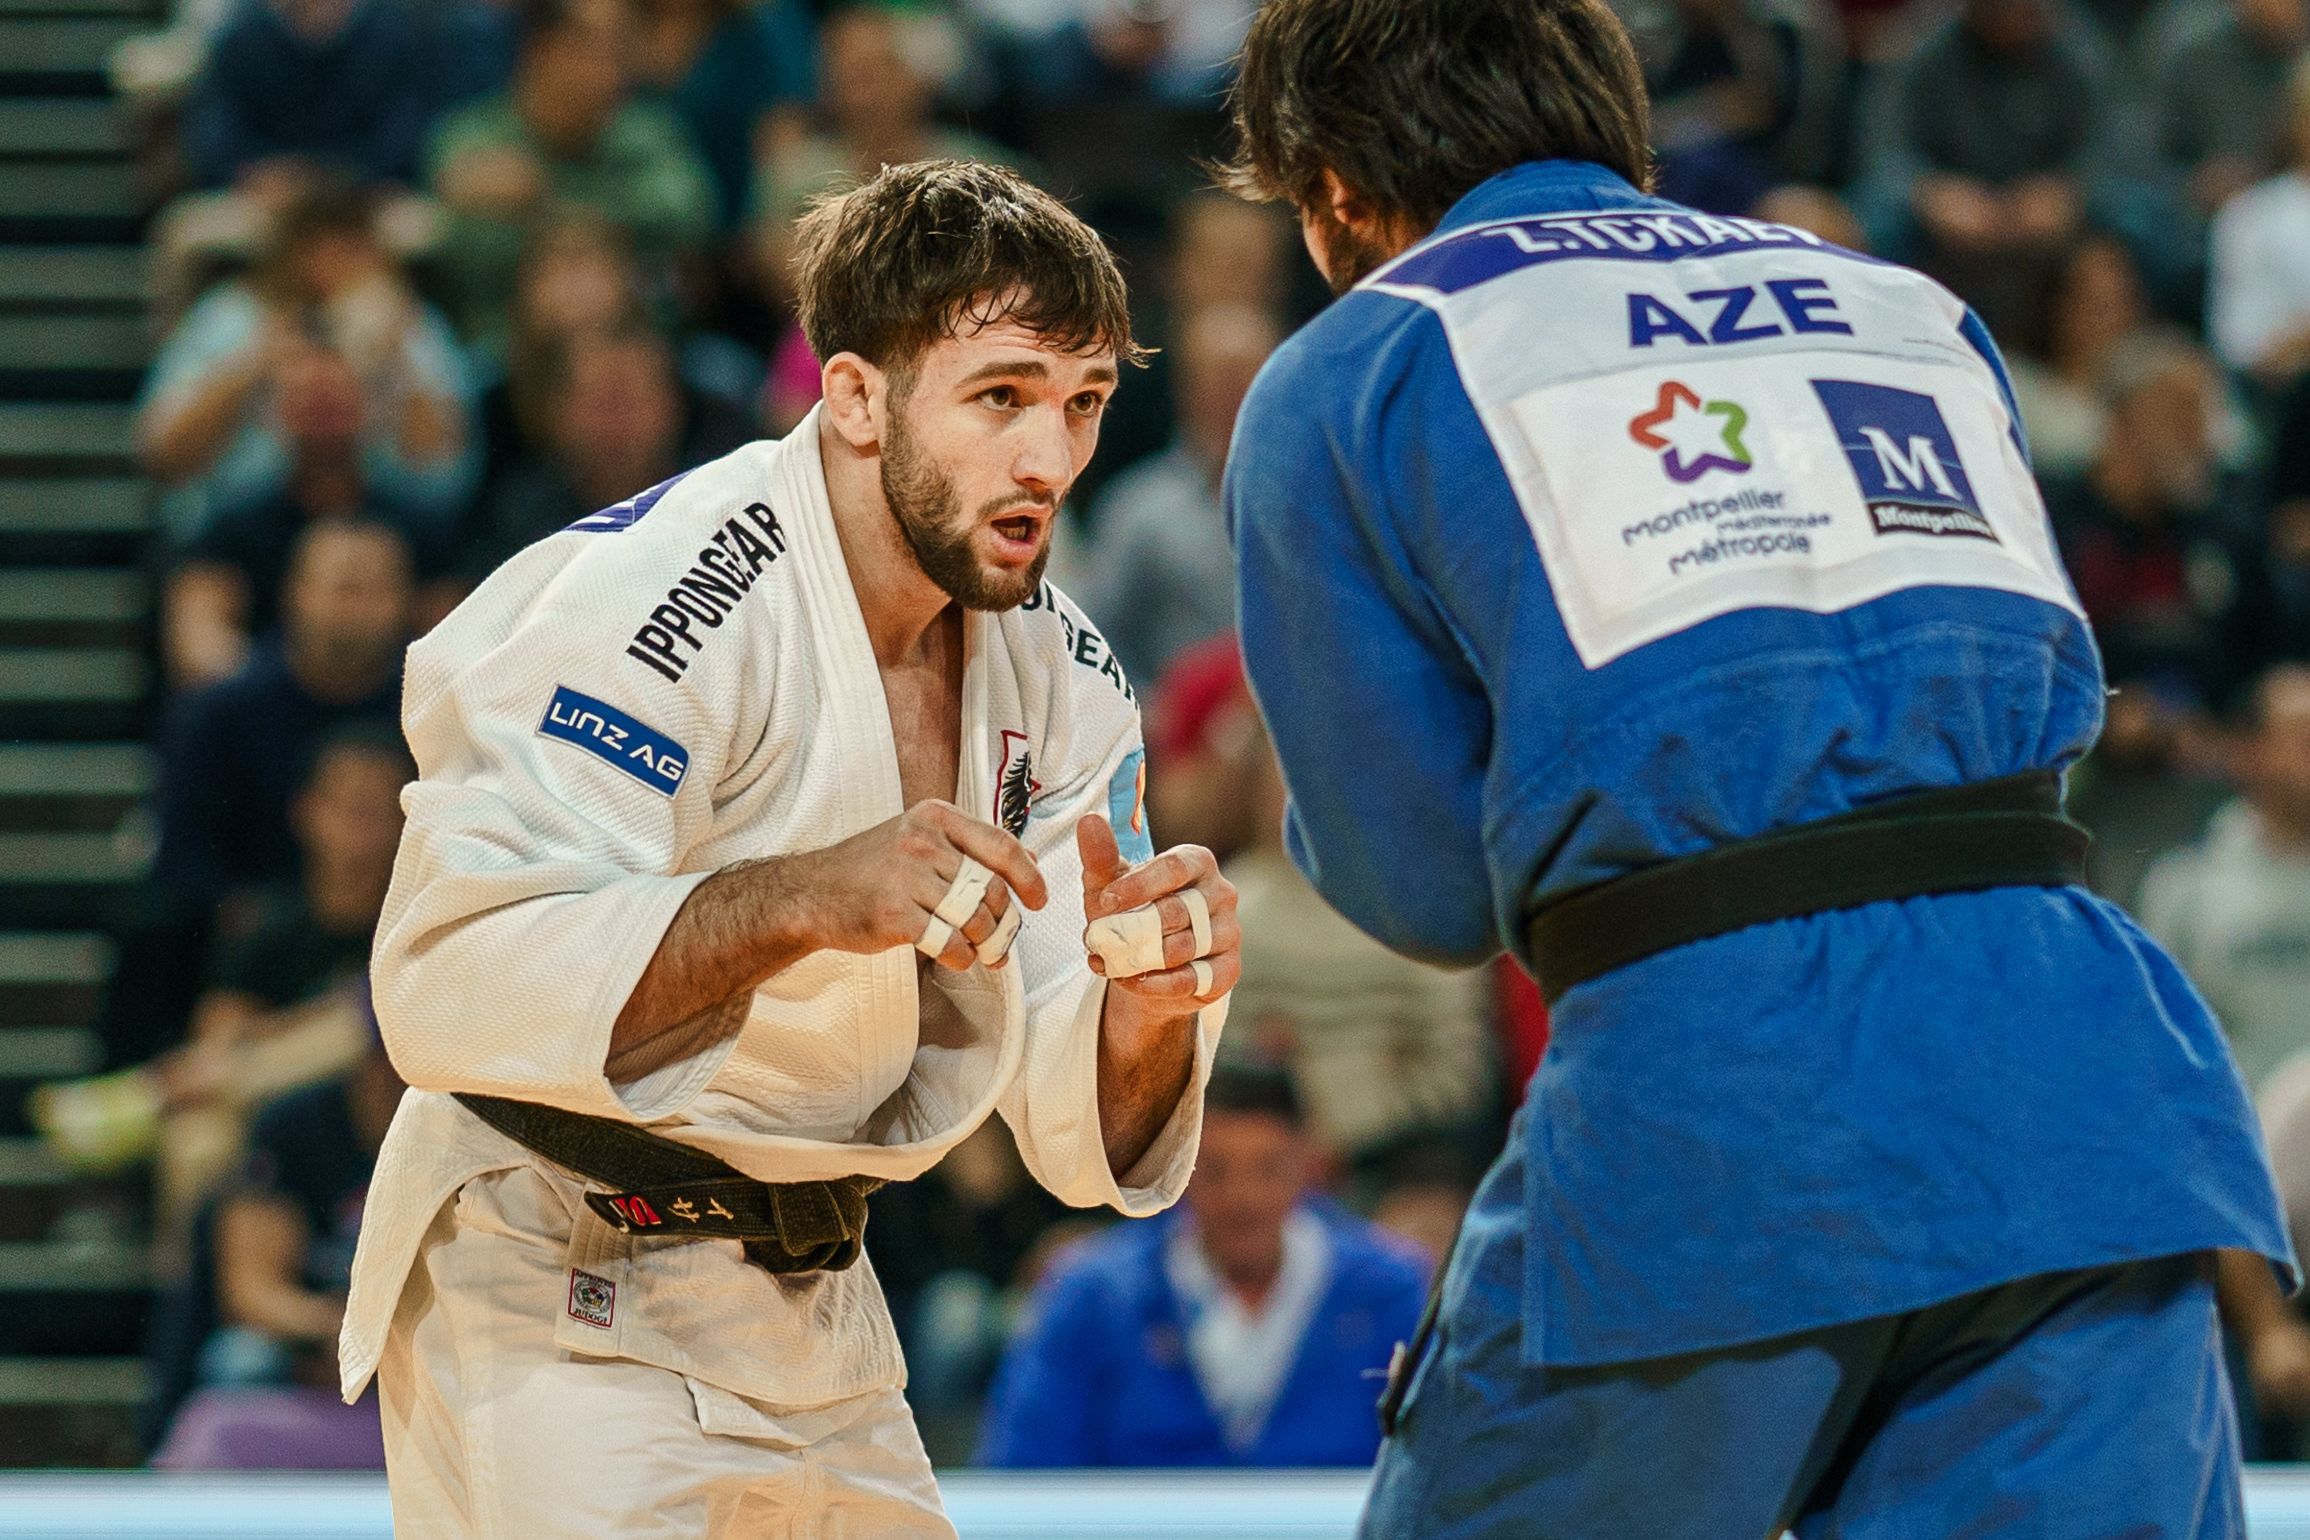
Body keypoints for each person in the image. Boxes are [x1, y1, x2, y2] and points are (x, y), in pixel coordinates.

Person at [1219, 2, 2288, 1536]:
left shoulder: (1361, 363)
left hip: (1715, 1113)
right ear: (1616, 124)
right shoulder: (1903, 305)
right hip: (2087, 1096)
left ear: (1328, 193)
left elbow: (1420, 886)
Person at [339, 159, 1239, 1537]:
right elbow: (451, 972)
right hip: (563, 1274)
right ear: (858, 398)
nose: (1048, 459)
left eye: (1084, 405)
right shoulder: (664, 603)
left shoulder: (1060, 672)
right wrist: (815, 896)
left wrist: (1149, 1009)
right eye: (999, 397)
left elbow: (1081, 1129)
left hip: (820, 1301)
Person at [977, 1063, 1428, 1468]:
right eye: (1214, 1170)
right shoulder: (1093, 1296)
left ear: (1307, 1166)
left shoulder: (1389, 1293)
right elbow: (1024, 1472)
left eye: (1268, 1168)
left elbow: (1433, 1473)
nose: (1242, 1198)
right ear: (1176, 1167)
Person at [151, 516, 412, 911]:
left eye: (374, 591)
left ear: (404, 599)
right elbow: (185, 856)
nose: (356, 608)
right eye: (343, 588)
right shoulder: (222, 712)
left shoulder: (433, 709)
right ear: (295, 591)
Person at [425, 0, 715, 349]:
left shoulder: (645, 132)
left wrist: (541, 193)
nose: (613, 70)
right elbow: (462, 255)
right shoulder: (468, 140)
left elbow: (691, 214)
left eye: (620, 51)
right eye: (591, 48)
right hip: (503, 354)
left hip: (641, 346)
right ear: (540, 50)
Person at [1075, 304, 1280, 686]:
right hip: (1169, 733)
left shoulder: (1316, 504)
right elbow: (1093, 637)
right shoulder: (1138, 510)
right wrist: (1156, 723)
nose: (1233, 393)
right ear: (1186, 385)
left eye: (1246, 375)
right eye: (1219, 377)